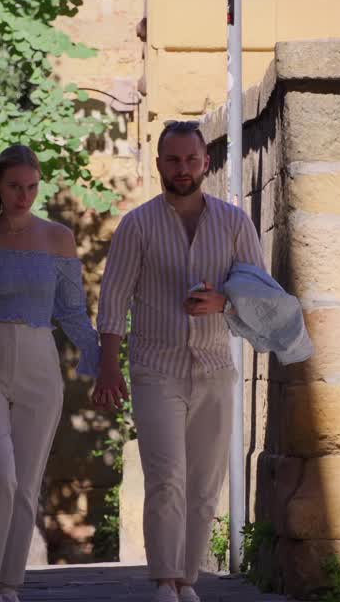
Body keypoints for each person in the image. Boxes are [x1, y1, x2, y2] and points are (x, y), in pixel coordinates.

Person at [92, 121, 264, 602]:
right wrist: (109, 367)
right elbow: (113, 299)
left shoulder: (235, 223)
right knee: (166, 474)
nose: (182, 169)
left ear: (205, 162)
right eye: (173, 160)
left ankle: (188, 579)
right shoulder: (137, 225)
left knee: (205, 481)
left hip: (214, 367)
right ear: (159, 164)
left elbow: (261, 296)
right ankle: (164, 579)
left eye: (191, 160)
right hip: (155, 367)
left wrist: (222, 305)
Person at [0, 144, 101, 602]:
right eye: (15, 186)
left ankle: (11, 585)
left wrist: (102, 363)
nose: (24, 195)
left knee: (28, 480)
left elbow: (72, 312)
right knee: (0, 475)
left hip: (39, 361)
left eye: (32, 187)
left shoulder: (58, 237)